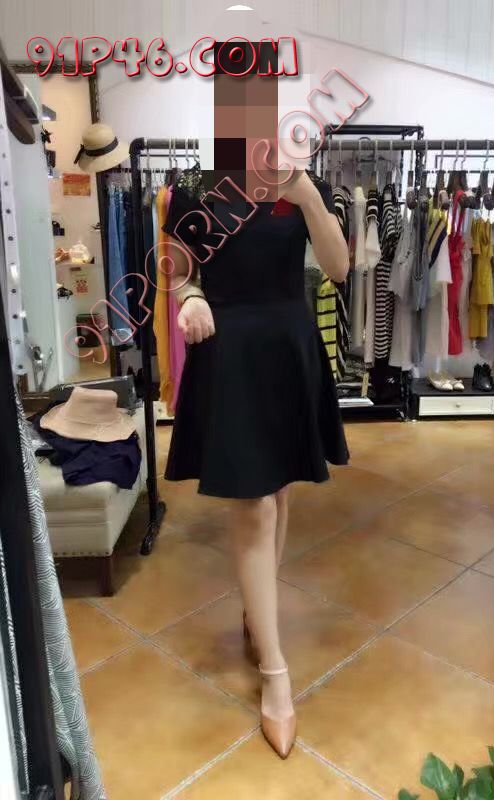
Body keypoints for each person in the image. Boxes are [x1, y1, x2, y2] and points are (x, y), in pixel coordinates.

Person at [163, 163, 350, 759]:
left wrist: (309, 198)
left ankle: (255, 612)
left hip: (288, 345)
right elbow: (176, 265)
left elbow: (340, 269)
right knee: (255, 505)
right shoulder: (195, 188)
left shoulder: (304, 185)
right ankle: (274, 672)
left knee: (280, 491)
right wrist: (190, 296)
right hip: (231, 351)